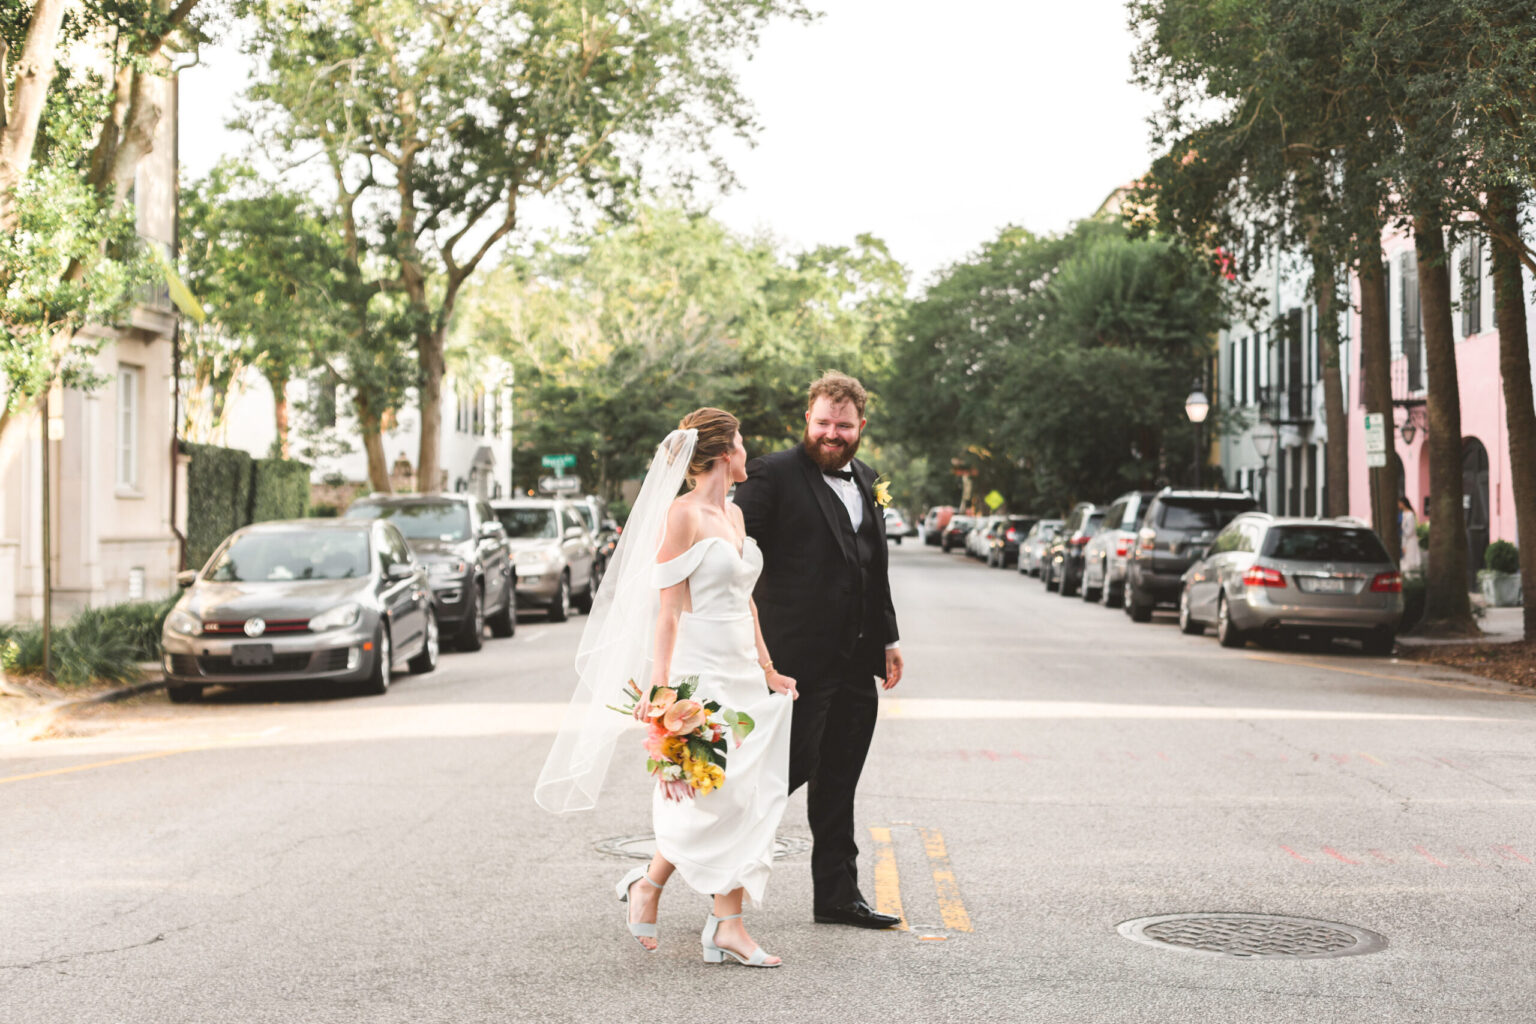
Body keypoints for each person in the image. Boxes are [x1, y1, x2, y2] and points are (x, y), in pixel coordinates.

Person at [534, 408, 797, 968]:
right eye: (743, 444)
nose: (748, 453)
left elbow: (746, 599)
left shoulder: (734, 514)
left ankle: (717, 920)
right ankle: (677, 899)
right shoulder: (682, 516)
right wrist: (662, 696)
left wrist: (768, 668)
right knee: (707, 795)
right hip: (699, 671)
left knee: (742, 795)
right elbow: (669, 610)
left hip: (743, 672)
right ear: (725, 452)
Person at [732, 371, 905, 930]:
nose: (834, 433)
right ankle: (683, 862)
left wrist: (888, 639)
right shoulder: (772, 474)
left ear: (860, 427)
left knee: (839, 780)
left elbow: (873, 568)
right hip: (793, 664)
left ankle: (837, 896)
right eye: (825, 422)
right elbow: (730, 553)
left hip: (856, 662)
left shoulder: (870, 480)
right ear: (807, 418)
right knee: (772, 778)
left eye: (845, 425)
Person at [1398, 496, 1422, 574]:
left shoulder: (1410, 514)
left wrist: (1403, 530)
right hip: (1404, 540)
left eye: (1399, 503)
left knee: (1410, 559)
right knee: (1405, 559)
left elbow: (1410, 530)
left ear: (1403, 503)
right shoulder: (1402, 514)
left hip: (1410, 540)